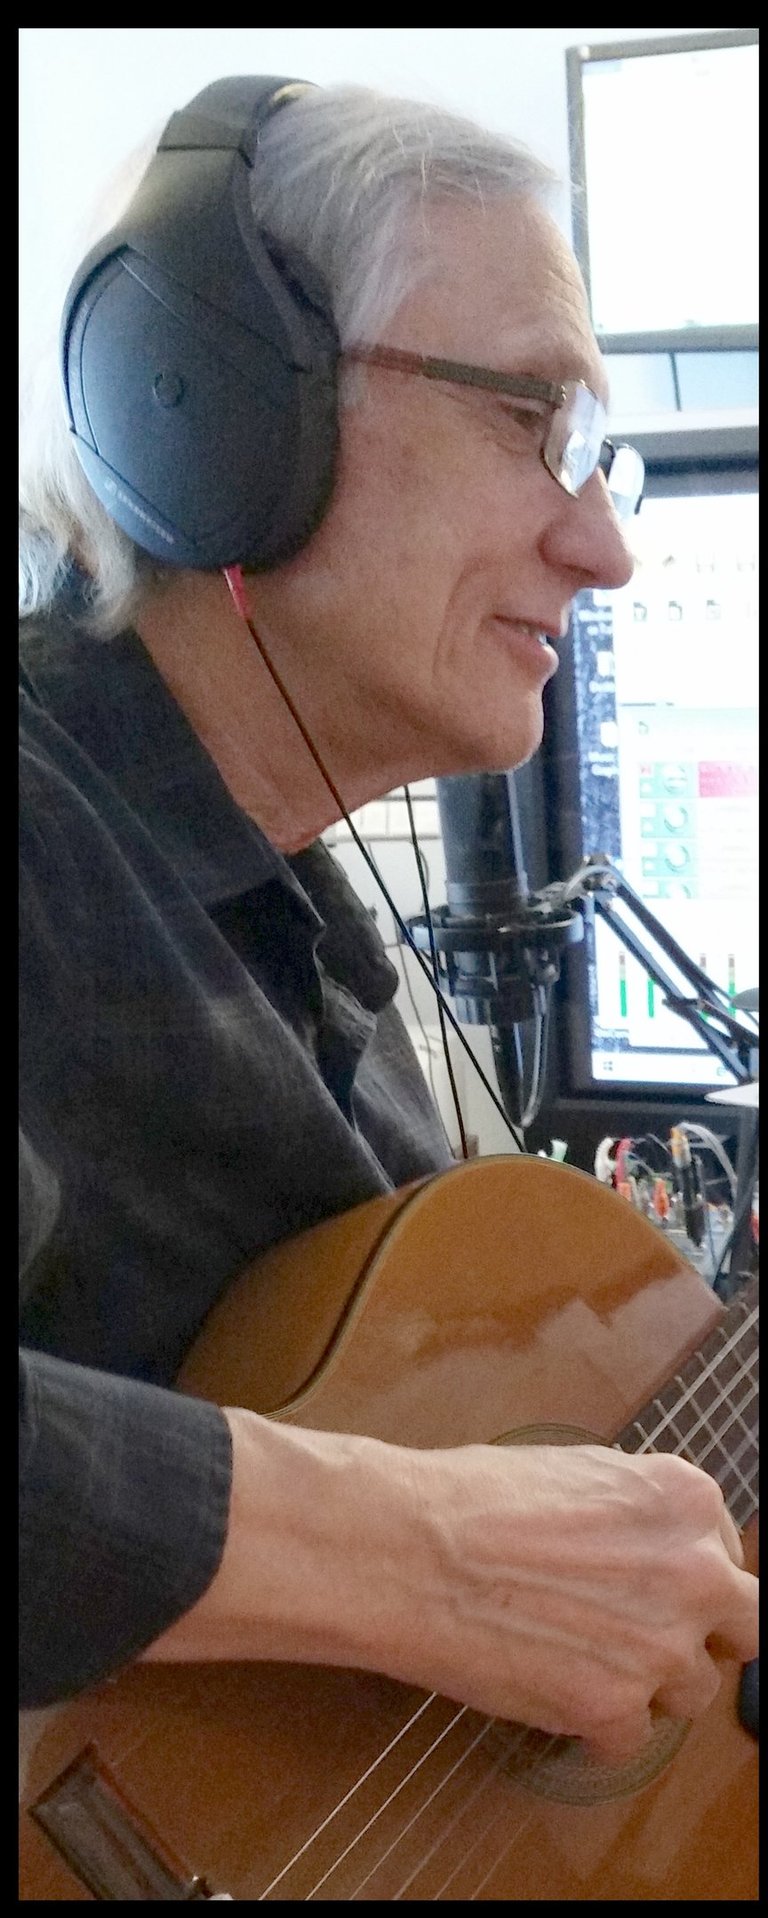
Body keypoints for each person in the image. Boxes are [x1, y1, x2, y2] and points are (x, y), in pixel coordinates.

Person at [19, 75, 757, 1769]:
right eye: (530, 422)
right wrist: (433, 1558)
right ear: (211, 409)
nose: (606, 547)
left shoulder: (312, 945)